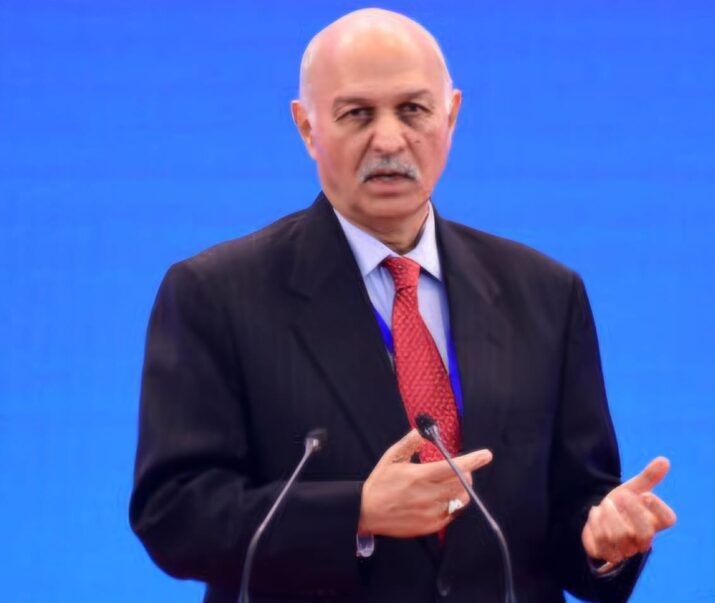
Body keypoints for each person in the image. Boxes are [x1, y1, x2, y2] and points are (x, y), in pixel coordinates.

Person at [130, 8, 676, 603]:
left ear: (451, 116)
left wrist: (604, 540)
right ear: (308, 127)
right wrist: (357, 512)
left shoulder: (546, 293)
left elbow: (576, 506)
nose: (389, 140)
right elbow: (174, 515)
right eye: (357, 114)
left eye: (413, 110)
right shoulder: (216, 294)